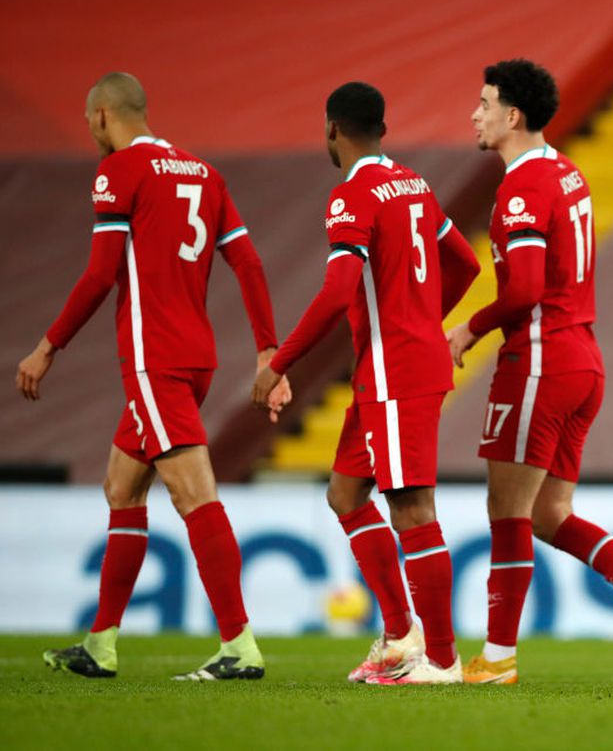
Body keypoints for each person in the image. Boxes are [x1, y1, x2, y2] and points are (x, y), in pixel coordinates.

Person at [16, 72, 289, 681]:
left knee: (195, 495)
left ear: (105, 114)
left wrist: (47, 347)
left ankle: (239, 644)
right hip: (196, 357)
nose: (92, 131)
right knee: (123, 488)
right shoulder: (202, 172)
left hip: (153, 359)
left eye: (91, 120)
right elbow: (246, 260)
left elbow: (98, 275)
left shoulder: (119, 171)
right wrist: (266, 348)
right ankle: (101, 643)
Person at [446, 59, 613, 684]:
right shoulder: (566, 172)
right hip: (582, 360)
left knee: (507, 513)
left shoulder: (524, 186)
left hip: (538, 362)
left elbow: (527, 286)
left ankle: (498, 659)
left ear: (513, 115)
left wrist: (468, 329)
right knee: (548, 514)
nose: (474, 114)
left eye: (483, 103)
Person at [252, 82, 480, 685]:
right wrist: (425, 321)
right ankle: (401, 635)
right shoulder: (415, 185)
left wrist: (280, 362)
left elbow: (337, 291)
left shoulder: (352, 195)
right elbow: (466, 263)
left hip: (397, 370)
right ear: (382, 126)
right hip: (389, 368)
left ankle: (442, 659)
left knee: (411, 508)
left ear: (333, 129)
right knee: (346, 495)